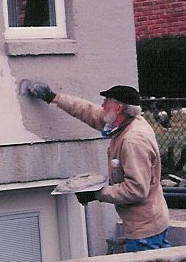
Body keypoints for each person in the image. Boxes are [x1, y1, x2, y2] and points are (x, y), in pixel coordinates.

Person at [27, 81, 171, 252]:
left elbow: (136, 189)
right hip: (149, 223)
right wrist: (53, 97)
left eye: (106, 102)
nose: (102, 106)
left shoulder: (133, 141)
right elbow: (88, 111)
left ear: (118, 108)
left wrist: (96, 194)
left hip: (145, 231)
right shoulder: (127, 121)